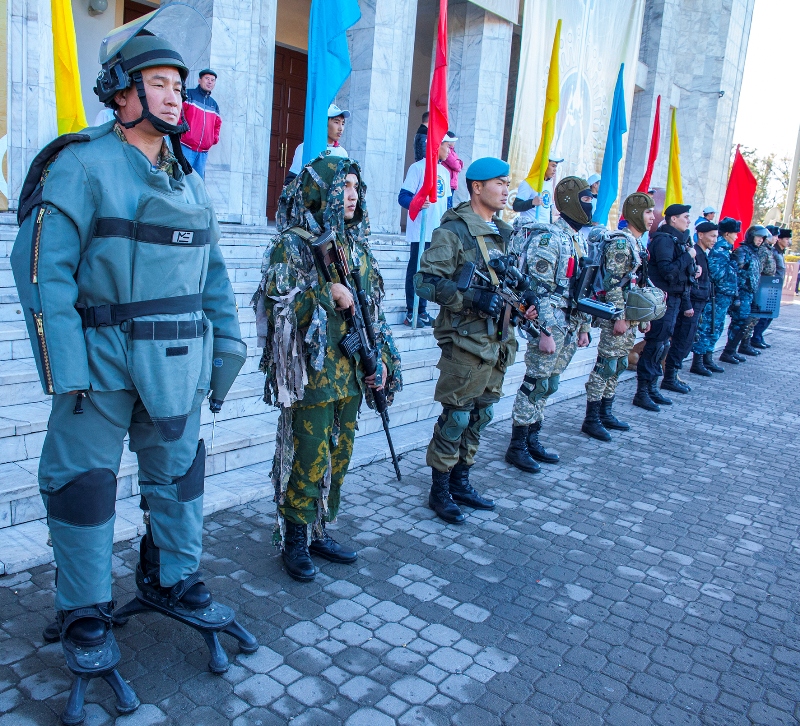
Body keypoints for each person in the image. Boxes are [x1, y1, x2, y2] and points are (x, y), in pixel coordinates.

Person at [10, 12, 246, 708]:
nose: (176, 97)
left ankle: (171, 577)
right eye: (160, 84)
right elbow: (42, 272)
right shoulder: (81, 163)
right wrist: (67, 370)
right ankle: (84, 613)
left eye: (179, 85)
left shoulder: (188, 180)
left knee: (181, 478)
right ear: (121, 91)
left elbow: (215, 277)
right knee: (84, 491)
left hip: (175, 363)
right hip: (102, 366)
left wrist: (226, 347)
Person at [252, 155, 402, 582]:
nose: (351, 195)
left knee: (340, 455)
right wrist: (325, 292)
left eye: (356, 186)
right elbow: (275, 308)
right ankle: (294, 538)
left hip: (353, 373)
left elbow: (374, 314)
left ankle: (319, 528)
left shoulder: (356, 246)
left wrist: (384, 361)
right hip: (312, 377)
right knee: (307, 457)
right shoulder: (293, 244)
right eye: (343, 186)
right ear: (321, 191)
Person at [414, 157, 517, 523]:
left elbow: (508, 286)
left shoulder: (503, 233)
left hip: (498, 341)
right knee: (456, 416)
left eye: (507, 183)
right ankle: (439, 489)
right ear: (476, 186)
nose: (506, 189)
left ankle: (461, 480)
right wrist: (471, 298)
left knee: (481, 414)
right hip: (465, 343)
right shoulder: (454, 232)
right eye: (499, 183)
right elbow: (423, 282)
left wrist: (524, 302)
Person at [505, 176, 592, 468]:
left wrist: (583, 327)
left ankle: (533, 438)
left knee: (549, 384)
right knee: (535, 383)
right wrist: (544, 332)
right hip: (551, 323)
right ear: (569, 202)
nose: (589, 205)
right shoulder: (549, 238)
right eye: (585, 200)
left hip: (569, 322)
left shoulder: (578, 239)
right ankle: (517, 445)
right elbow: (538, 290)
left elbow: (583, 287)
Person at [581, 192, 656, 440]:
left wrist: (643, 316)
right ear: (635, 213)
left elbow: (638, 283)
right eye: (647, 212)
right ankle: (591, 418)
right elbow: (613, 284)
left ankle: (606, 411)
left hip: (631, 316)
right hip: (617, 316)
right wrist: (619, 317)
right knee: (606, 365)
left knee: (621, 363)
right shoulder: (621, 243)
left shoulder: (638, 243)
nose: (652, 217)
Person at [633, 203, 695, 411]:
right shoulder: (663, 240)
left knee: (662, 345)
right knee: (654, 345)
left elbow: (681, 274)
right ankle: (642, 392)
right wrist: (688, 258)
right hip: (662, 300)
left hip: (674, 300)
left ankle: (651, 388)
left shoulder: (678, 240)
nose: (688, 220)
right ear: (673, 219)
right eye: (685, 217)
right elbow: (667, 271)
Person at [398, 131, 456, 326]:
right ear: (437, 145)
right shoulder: (417, 169)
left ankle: (422, 310)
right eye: (447, 146)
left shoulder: (445, 173)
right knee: (416, 270)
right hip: (419, 231)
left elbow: (448, 202)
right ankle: (410, 311)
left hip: (437, 231)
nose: (450, 151)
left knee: (429, 273)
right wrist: (416, 202)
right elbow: (403, 197)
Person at [692, 217, 740, 370]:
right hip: (715, 297)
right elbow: (718, 274)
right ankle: (698, 362)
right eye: (735, 233)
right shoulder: (720, 251)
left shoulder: (725, 250)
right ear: (727, 234)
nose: (737, 237)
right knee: (708, 327)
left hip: (722, 298)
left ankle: (707, 359)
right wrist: (734, 265)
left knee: (716, 328)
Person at [720, 225, 769, 361]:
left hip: (749, 293)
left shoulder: (754, 253)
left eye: (762, 238)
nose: (760, 240)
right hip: (741, 293)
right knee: (739, 322)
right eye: (758, 237)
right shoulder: (742, 251)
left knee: (743, 323)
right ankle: (727, 352)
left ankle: (732, 350)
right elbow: (734, 273)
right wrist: (736, 295)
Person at [285, 104, 350, 185]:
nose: (340, 128)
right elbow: (291, 180)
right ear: (324, 123)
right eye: (336, 122)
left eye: (343, 123)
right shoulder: (306, 148)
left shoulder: (343, 153)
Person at [752, 227, 791, 347]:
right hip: (767, 286)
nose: (789, 241)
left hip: (774, 286)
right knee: (764, 315)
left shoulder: (778, 252)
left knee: (769, 315)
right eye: (786, 238)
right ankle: (756, 338)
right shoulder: (771, 252)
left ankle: (759, 336)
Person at [180, 69, 222, 179]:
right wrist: (182, 131)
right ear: (199, 80)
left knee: (198, 184)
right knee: (182, 180)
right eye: (207, 79)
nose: (209, 82)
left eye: (212, 80)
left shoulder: (214, 105)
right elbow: (178, 113)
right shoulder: (188, 95)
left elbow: (217, 124)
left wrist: (214, 139)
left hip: (203, 152)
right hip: (186, 147)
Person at [749, 226, 781, 349]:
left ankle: (756, 338)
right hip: (761, 286)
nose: (777, 239)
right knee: (755, 317)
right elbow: (759, 269)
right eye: (775, 235)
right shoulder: (763, 250)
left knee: (765, 315)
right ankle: (752, 340)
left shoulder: (768, 249)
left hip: (768, 285)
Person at [513, 155, 562, 224]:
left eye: (556, 166)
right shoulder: (529, 183)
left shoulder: (548, 184)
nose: (555, 170)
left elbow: (549, 210)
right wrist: (532, 202)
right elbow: (516, 206)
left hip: (544, 229)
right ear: (544, 165)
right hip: (530, 229)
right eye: (553, 166)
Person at [442, 140, 464, 208]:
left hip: (452, 183)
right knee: (447, 204)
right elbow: (456, 165)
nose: (454, 143)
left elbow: (460, 164)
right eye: (453, 141)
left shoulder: (453, 151)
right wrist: (458, 162)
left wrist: (458, 162)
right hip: (448, 182)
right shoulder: (448, 152)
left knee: (449, 204)